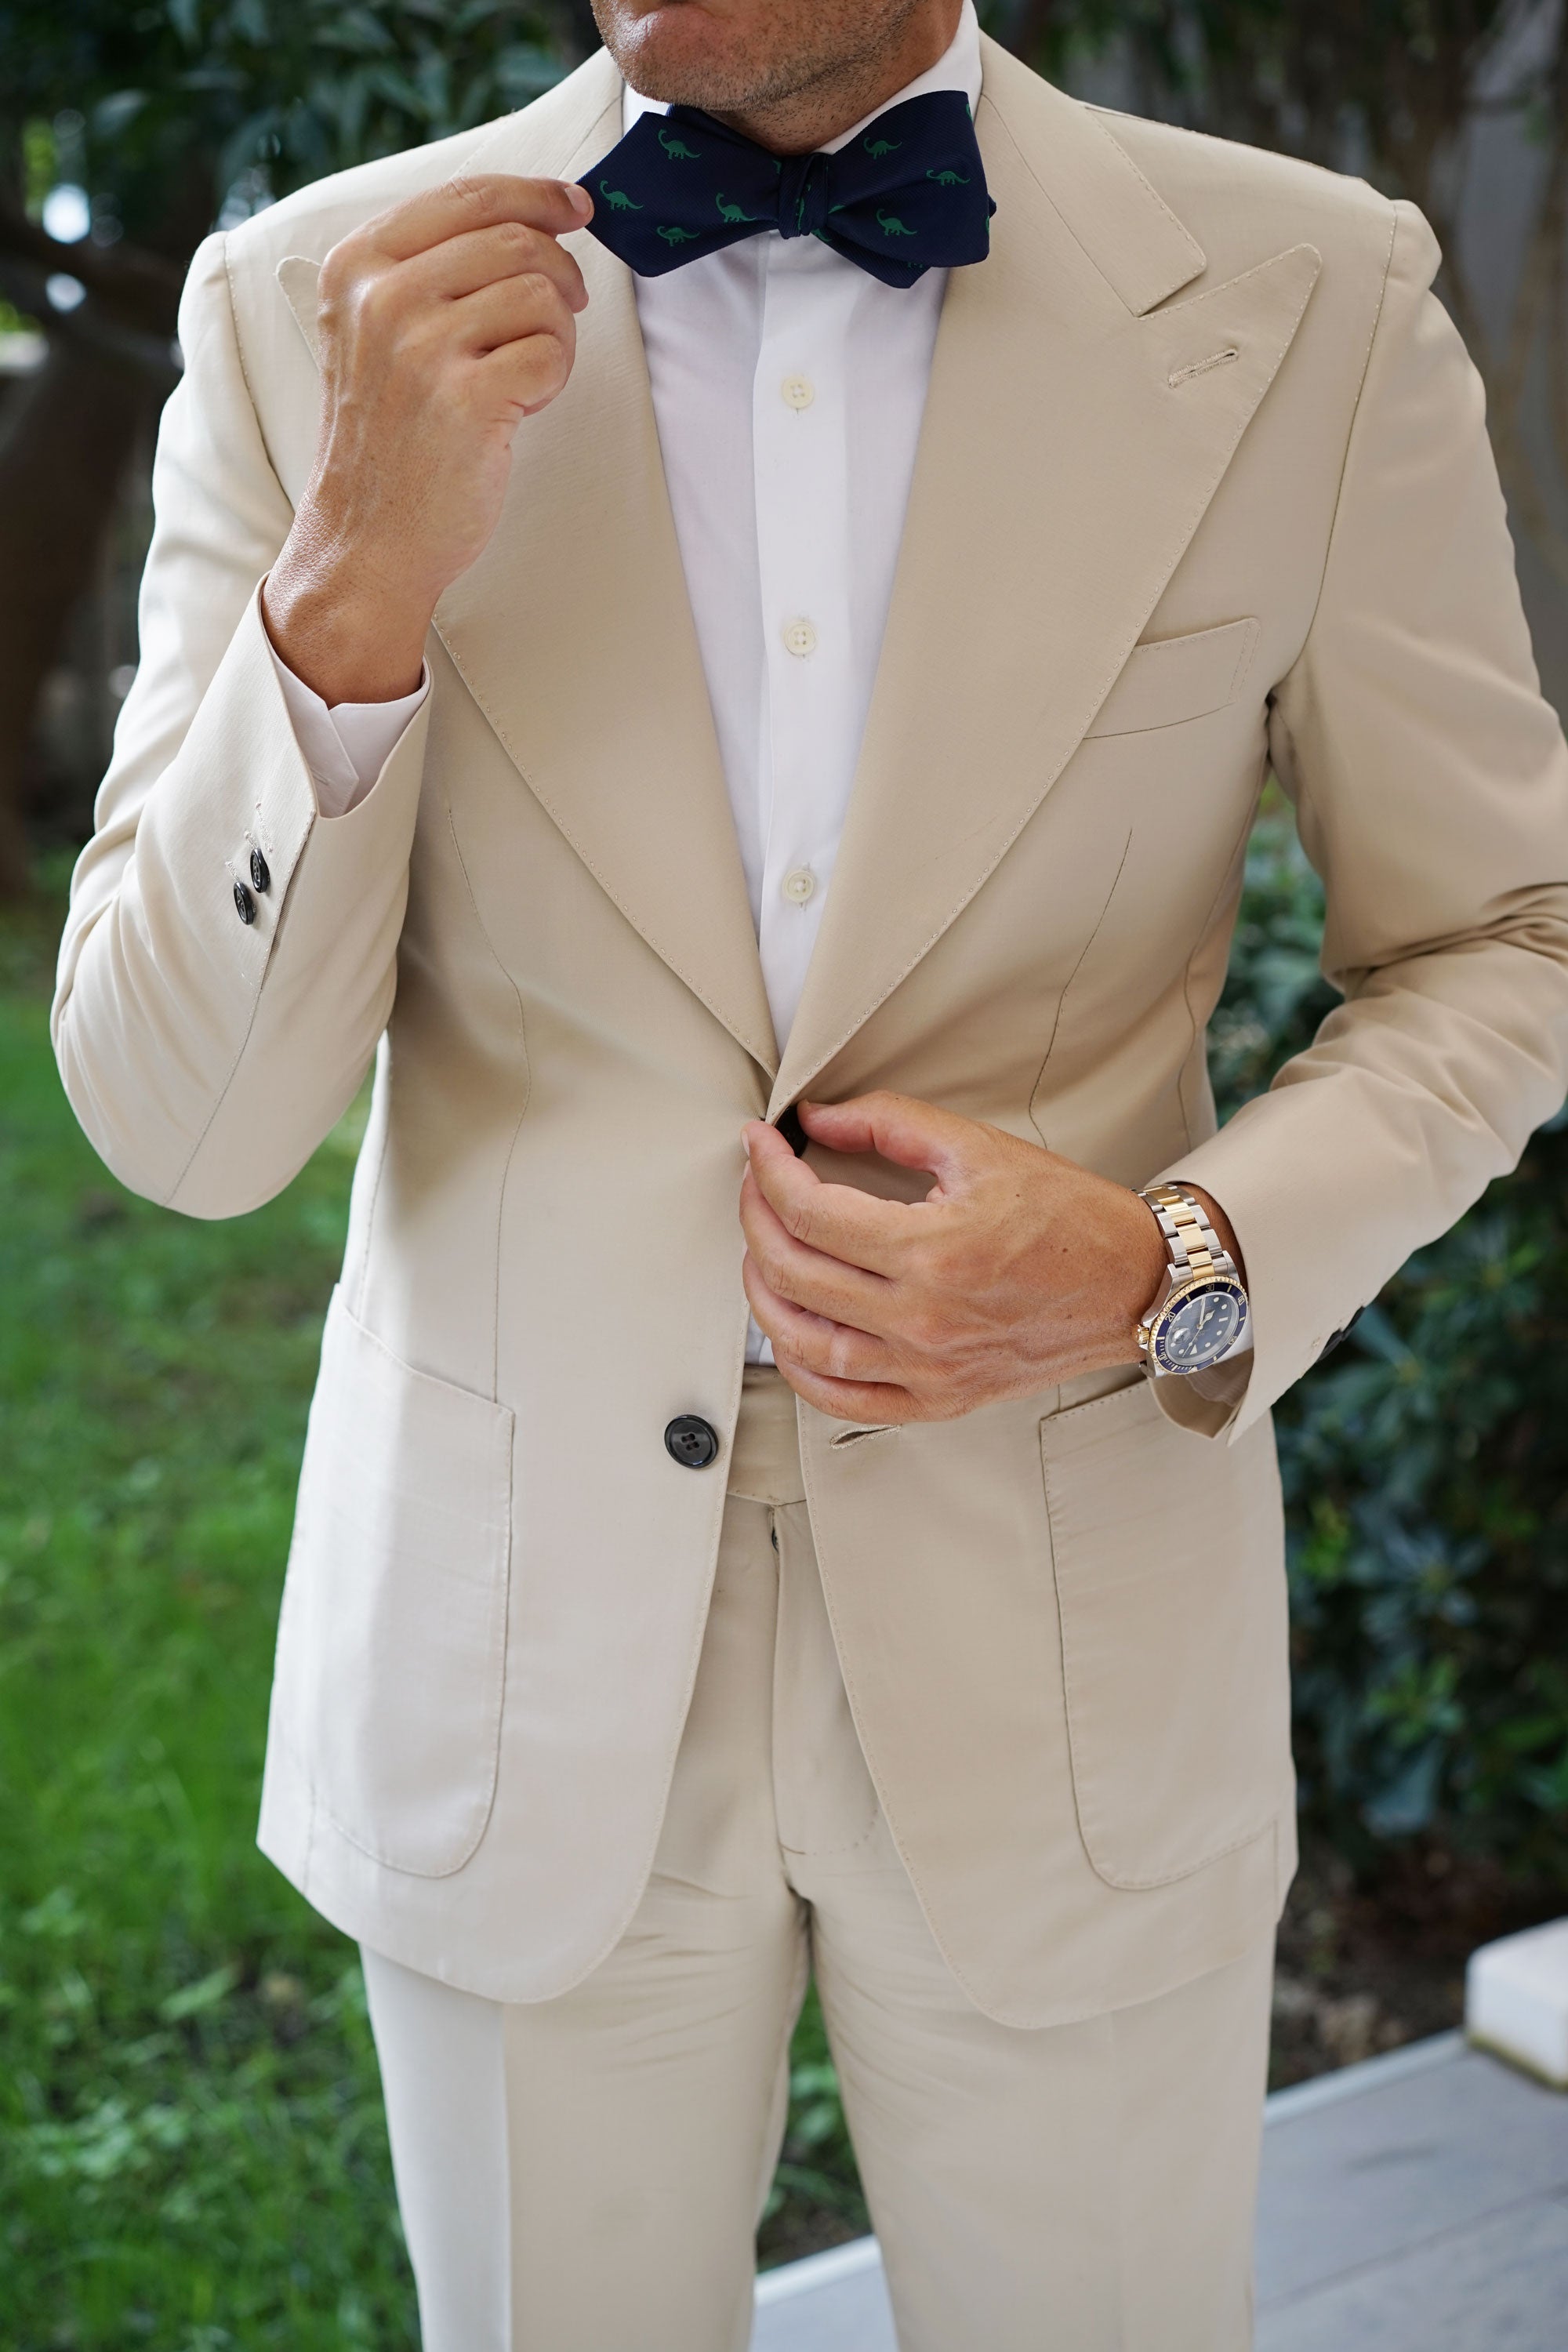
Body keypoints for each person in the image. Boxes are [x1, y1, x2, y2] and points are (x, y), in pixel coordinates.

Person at [50, 0, 1568, 2343]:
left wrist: (1170, 1256)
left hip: (1068, 1617)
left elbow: (1501, 939)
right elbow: (182, 1124)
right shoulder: (307, 310)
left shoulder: (1307, 296)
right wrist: (348, 584)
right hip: (514, 1643)